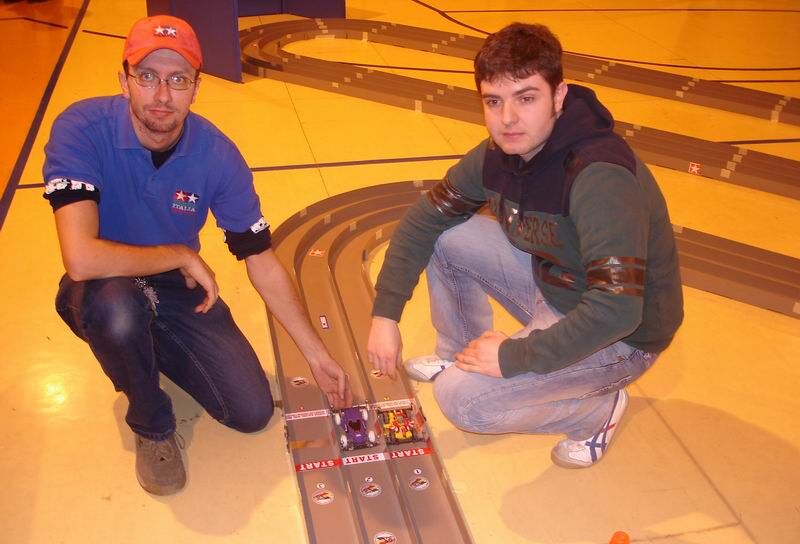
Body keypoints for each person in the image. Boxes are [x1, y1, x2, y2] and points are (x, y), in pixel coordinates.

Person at [44, 15, 351, 495]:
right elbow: (81, 258)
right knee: (118, 314)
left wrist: (315, 353)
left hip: (175, 285)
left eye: (178, 80)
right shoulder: (81, 127)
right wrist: (181, 255)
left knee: (250, 412)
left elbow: (260, 258)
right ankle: (151, 424)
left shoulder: (217, 154)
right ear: (124, 80)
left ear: (196, 88)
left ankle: (142, 341)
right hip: (102, 284)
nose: (161, 95)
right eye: (147, 76)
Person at [367, 23, 683, 469]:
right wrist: (385, 314)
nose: (508, 119)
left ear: (559, 96)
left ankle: (596, 413)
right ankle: (460, 353)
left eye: (526, 98)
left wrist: (514, 357)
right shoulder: (497, 155)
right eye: (494, 101)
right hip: (556, 287)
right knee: (447, 234)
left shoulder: (600, 176)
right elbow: (425, 219)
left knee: (462, 402)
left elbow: (616, 310)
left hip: (623, 337)